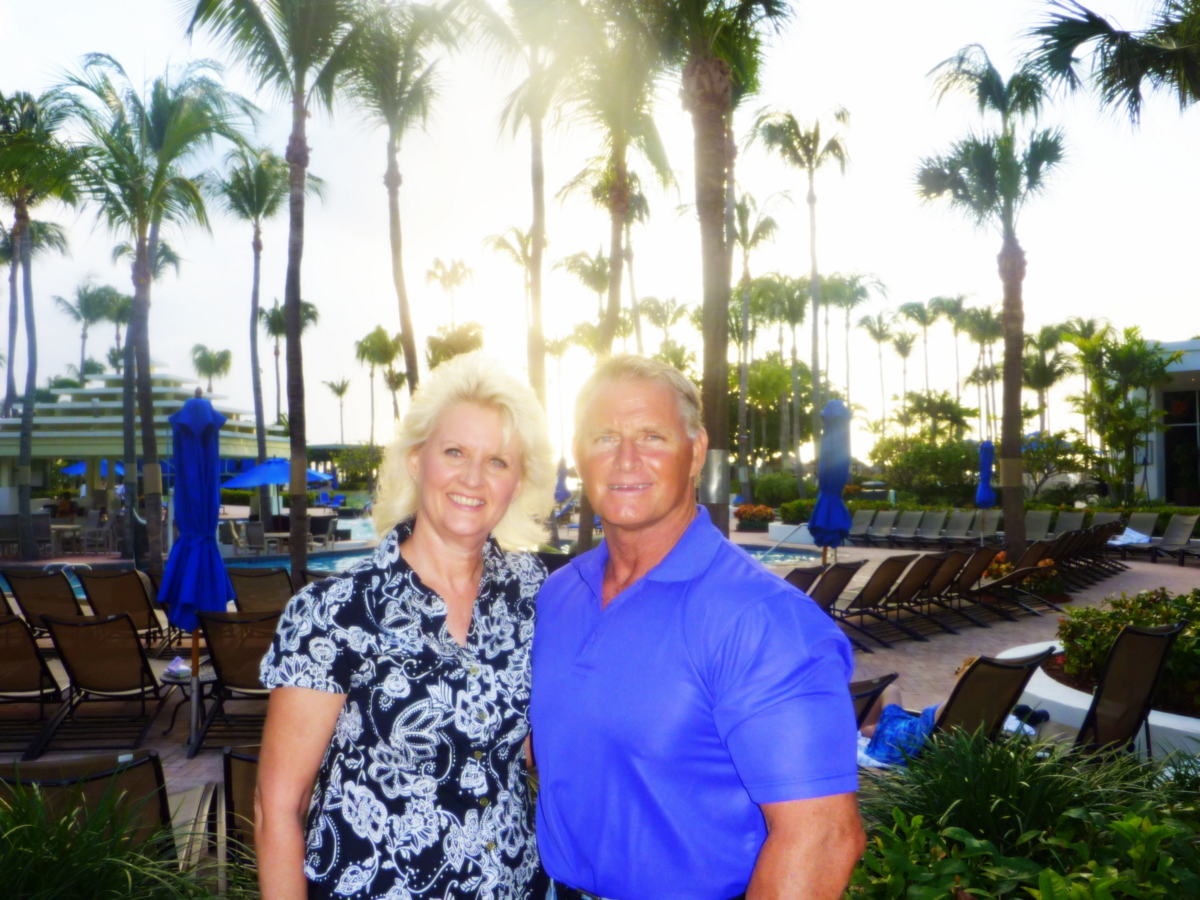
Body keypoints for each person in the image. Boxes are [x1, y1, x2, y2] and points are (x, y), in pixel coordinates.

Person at [531, 355, 865, 900]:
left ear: (696, 452)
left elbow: (823, 838)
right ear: (578, 454)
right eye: (604, 437)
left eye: (652, 437)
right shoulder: (559, 594)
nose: (626, 459)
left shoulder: (763, 620)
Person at [256, 352, 555, 900]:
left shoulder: (537, 595)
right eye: (455, 452)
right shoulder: (333, 611)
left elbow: (541, 743)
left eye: (497, 461)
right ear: (417, 459)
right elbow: (277, 807)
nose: (472, 478)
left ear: (518, 482)